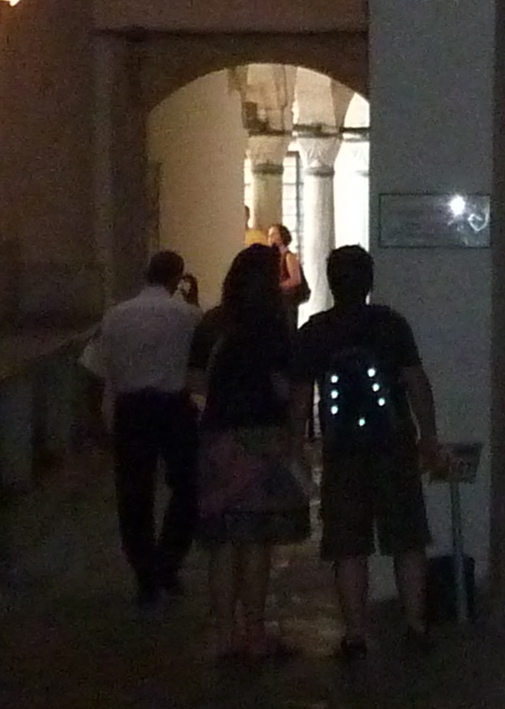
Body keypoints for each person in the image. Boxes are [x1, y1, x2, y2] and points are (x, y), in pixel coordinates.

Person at [289, 243, 450, 653]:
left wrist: (297, 446)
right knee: (407, 538)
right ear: (369, 281)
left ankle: (355, 632)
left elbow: (302, 394)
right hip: (392, 442)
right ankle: (415, 623)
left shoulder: (316, 330)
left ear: (330, 281)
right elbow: (415, 381)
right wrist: (427, 436)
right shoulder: (391, 324)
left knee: (347, 544)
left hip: (342, 448)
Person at [191, 242, 312, 661]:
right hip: (261, 441)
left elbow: (193, 383)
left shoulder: (213, 323)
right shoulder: (273, 328)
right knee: (257, 541)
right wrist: (295, 439)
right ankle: (255, 632)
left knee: (222, 541)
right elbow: (287, 388)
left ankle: (225, 633)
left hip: (217, 439)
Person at [80, 250, 200, 604]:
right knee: (186, 487)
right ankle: (169, 560)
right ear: (177, 278)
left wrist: (94, 420)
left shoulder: (117, 315)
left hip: (132, 409)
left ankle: (144, 571)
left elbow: (93, 369)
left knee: (134, 493)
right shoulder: (187, 315)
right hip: (174, 406)